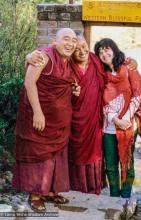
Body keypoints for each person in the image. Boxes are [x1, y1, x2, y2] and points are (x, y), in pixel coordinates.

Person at [26, 35, 137, 195]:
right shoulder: (67, 64)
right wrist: (28, 56)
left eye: (84, 46)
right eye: (77, 49)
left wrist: (131, 61)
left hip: (95, 120)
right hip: (74, 119)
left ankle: (100, 190)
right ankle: (74, 188)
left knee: (104, 156)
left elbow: (116, 65)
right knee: (79, 153)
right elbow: (45, 69)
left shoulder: (97, 61)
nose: (82, 51)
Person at [12, 28, 81, 212]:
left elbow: (63, 83)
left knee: (56, 157)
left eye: (73, 40)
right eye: (66, 39)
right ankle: (35, 194)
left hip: (59, 122)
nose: (70, 43)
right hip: (40, 118)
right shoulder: (43, 57)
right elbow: (29, 82)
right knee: (38, 155)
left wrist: (74, 90)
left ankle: (50, 191)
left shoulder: (67, 62)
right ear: (54, 42)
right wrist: (37, 112)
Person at [94, 38, 141, 198]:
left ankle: (126, 197)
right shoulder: (102, 74)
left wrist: (127, 119)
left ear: (114, 49)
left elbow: (138, 94)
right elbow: (103, 101)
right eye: (100, 52)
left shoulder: (128, 68)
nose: (104, 53)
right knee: (110, 166)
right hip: (109, 126)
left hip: (128, 126)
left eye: (106, 49)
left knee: (127, 165)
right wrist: (115, 120)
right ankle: (114, 199)